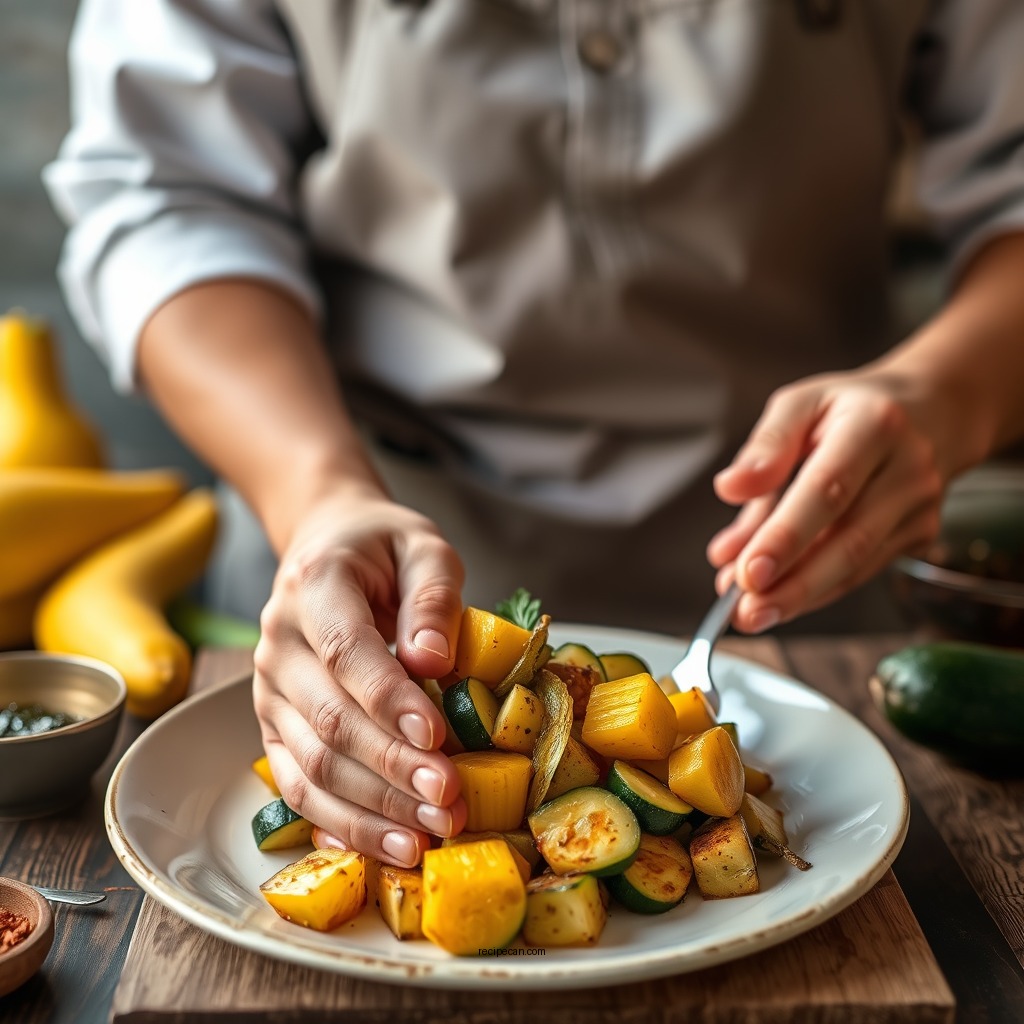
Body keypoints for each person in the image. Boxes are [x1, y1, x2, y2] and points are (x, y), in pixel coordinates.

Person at [45, 0, 1024, 867]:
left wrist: (948, 392)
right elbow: (163, 193)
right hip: (364, 543)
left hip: (808, 567)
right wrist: (319, 492)